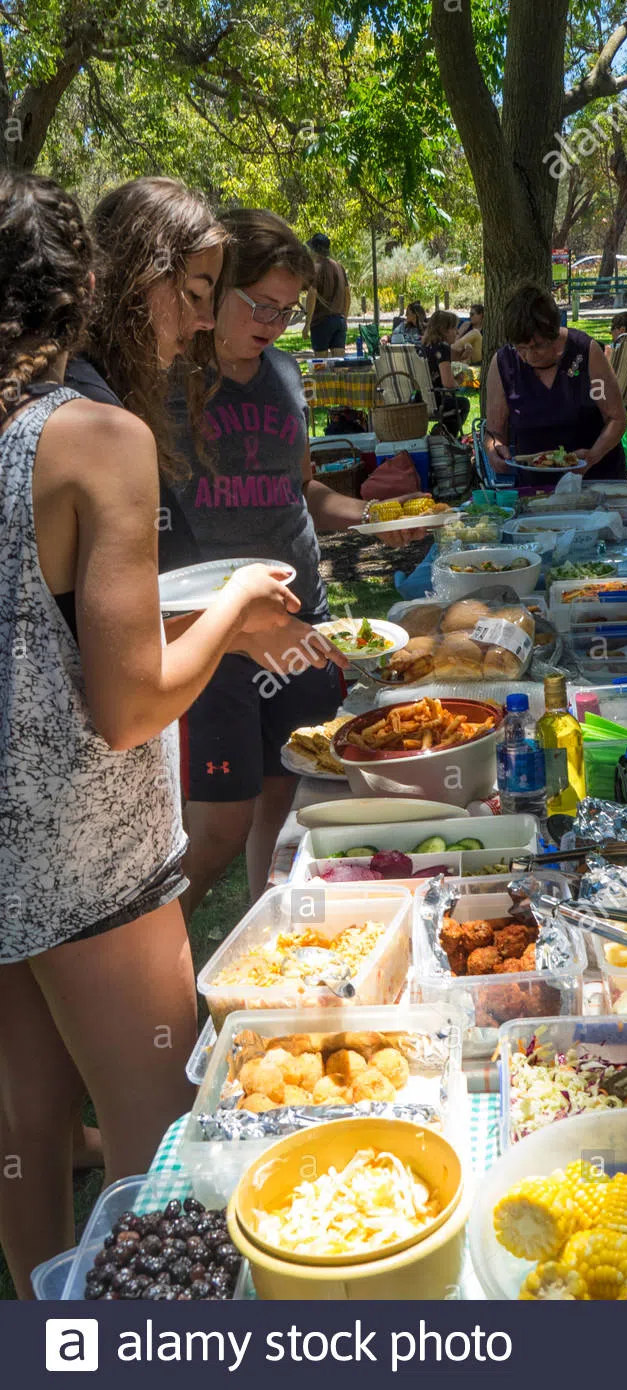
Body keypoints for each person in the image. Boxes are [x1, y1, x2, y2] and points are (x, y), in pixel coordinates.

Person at [0, 173, 309, 1297]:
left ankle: (52, 1334)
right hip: (90, 847)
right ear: (100, 283)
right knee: (160, 1137)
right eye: (188, 294)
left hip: (12, 853)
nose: (195, 321)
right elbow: (127, 704)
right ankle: (144, 1346)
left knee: (26, 1128)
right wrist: (234, 611)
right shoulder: (97, 434)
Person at [170, 209, 420, 914]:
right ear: (214, 291)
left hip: (301, 622)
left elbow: (302, 490)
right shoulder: (164, 379)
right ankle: (153, 960)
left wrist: (371, 519)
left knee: (287, 799)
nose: (275, 325)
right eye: (260, 305)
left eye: (288, 310)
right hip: (210, 633)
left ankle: (267, 922)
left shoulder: (283, 373)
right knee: (216, 823)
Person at [484, 283, 627, 479]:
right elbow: (495, 432)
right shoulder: (503, 363)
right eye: (521, 348)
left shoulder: (584, 353)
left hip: (595, 479)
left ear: (554, 333)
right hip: (536, 487)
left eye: (537, 347)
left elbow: (616, 418)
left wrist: (592, 456)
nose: (528, 356)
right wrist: (494, 450)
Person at [418, 309, 471, 434]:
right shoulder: (442, 348)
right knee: (463, 404)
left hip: (421, 400)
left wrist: (466, 351)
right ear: (444, 330)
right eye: (454, 328)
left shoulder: (427, 346)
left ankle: (440, 431)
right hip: (436, 400)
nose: (457, 332)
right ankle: (446, 435)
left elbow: (456, 356)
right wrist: (459, 379)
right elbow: (448, 384)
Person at [303, 232, 350, 357]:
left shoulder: (316, 268)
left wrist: (307, 324)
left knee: (321, 365)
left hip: (321, 321)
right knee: (339, 365)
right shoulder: (339, 267)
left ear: (315, 250)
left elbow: (312, 294)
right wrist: (344, 317)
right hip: (339, 321)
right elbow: (347, 294)